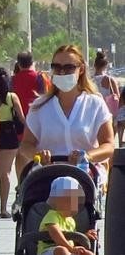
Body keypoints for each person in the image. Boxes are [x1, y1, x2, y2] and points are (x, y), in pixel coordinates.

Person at [19, 45, 114, 191]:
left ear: (80, 69)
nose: (62, 72)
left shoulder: (95, 104)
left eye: (69, 67)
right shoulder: (39, 106)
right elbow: (26, 145)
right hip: (47, 176)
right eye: (56, 67)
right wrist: (38, 155)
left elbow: (108, 145)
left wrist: (87, 156)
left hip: (84, 176)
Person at [36, 176, 104, 255]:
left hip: (68, 252)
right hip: (47, 253)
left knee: (87, 254)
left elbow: (71, 237)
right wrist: (70, 248)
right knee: (61, 250)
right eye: (68, 201)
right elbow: (56, 235)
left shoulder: (71, 220)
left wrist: (83, 236)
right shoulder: (52, 215)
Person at [0, 68, 25, 219]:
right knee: (5, 173)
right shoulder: (12, 97)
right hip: (9, 136)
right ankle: (3, 208)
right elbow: (21, 119)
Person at [12, 51, 45, 179]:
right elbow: (45, 97)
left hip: (19, 122)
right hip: (38, 120)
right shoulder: (39, 78)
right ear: (32, 63)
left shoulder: (13, 79)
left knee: (20, 154)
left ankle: (21, 184)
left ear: (19, 64)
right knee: (37, 153)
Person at [91, 51, 119, 129]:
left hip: (93, 114)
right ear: (106, 65)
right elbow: (118, 97)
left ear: (94, 65)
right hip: (108, 114)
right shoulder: (110, 80)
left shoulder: (89, 80)